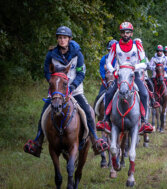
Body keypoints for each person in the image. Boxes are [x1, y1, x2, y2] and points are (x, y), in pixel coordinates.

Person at [23, 26, 108, 157]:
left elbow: (81, 73)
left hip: (74, 89)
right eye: (60, 38)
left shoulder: (78, 54)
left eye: (64, 38)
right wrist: (53, 84)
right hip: (56, 91)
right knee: (43, 115)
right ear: (57, 39)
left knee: (87, 112)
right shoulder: (51, 54)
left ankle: (95, 140)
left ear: (69, 39)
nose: (62, 40)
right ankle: (37, 143)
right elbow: (47, 71)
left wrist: (73, 86)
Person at [96, 22, 153, 135]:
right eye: (123, 32)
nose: (125, 34)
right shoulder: (115, 46)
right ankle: (105, 121)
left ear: (131, 33)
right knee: (108, 93)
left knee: (144, 94)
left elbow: (143, 62)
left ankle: (144, 122)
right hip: (120, 76)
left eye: (127, 32)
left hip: (134, 75)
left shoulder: (137, 45)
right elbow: (109, 62)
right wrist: (114, 71)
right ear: (121, 34)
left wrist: (134, 67)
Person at [134, 38, 160, 108]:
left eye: (140, 44)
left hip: (143, 76)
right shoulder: (132, 55)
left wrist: (149, 67)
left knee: (151, 85)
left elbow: (148, 65)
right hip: (133, 76)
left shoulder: (144, 56)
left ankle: (153, 100)